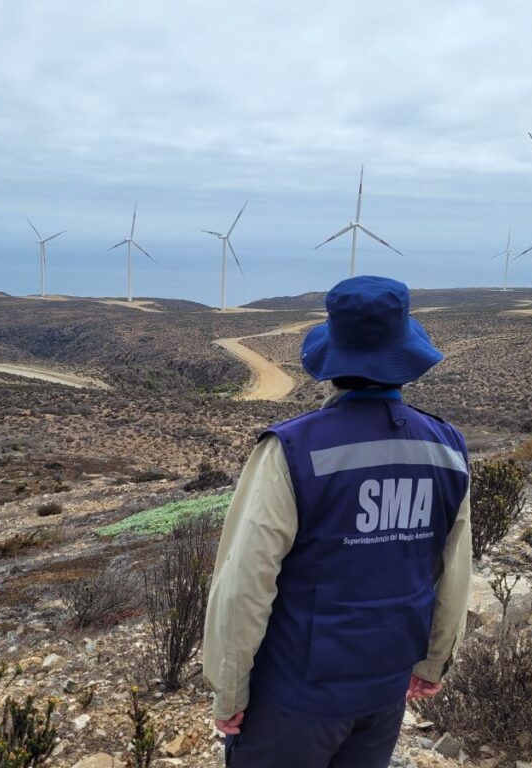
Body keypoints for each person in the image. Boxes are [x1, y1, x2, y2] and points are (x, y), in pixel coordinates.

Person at [203, 275, 472, 768]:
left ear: (332, 362)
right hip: (386, 689)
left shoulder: (291, 449)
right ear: (405, 359)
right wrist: (434, 662)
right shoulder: (448, 447)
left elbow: (245, 583)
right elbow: (454, 574)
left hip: (296, 696)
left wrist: (229, 689)